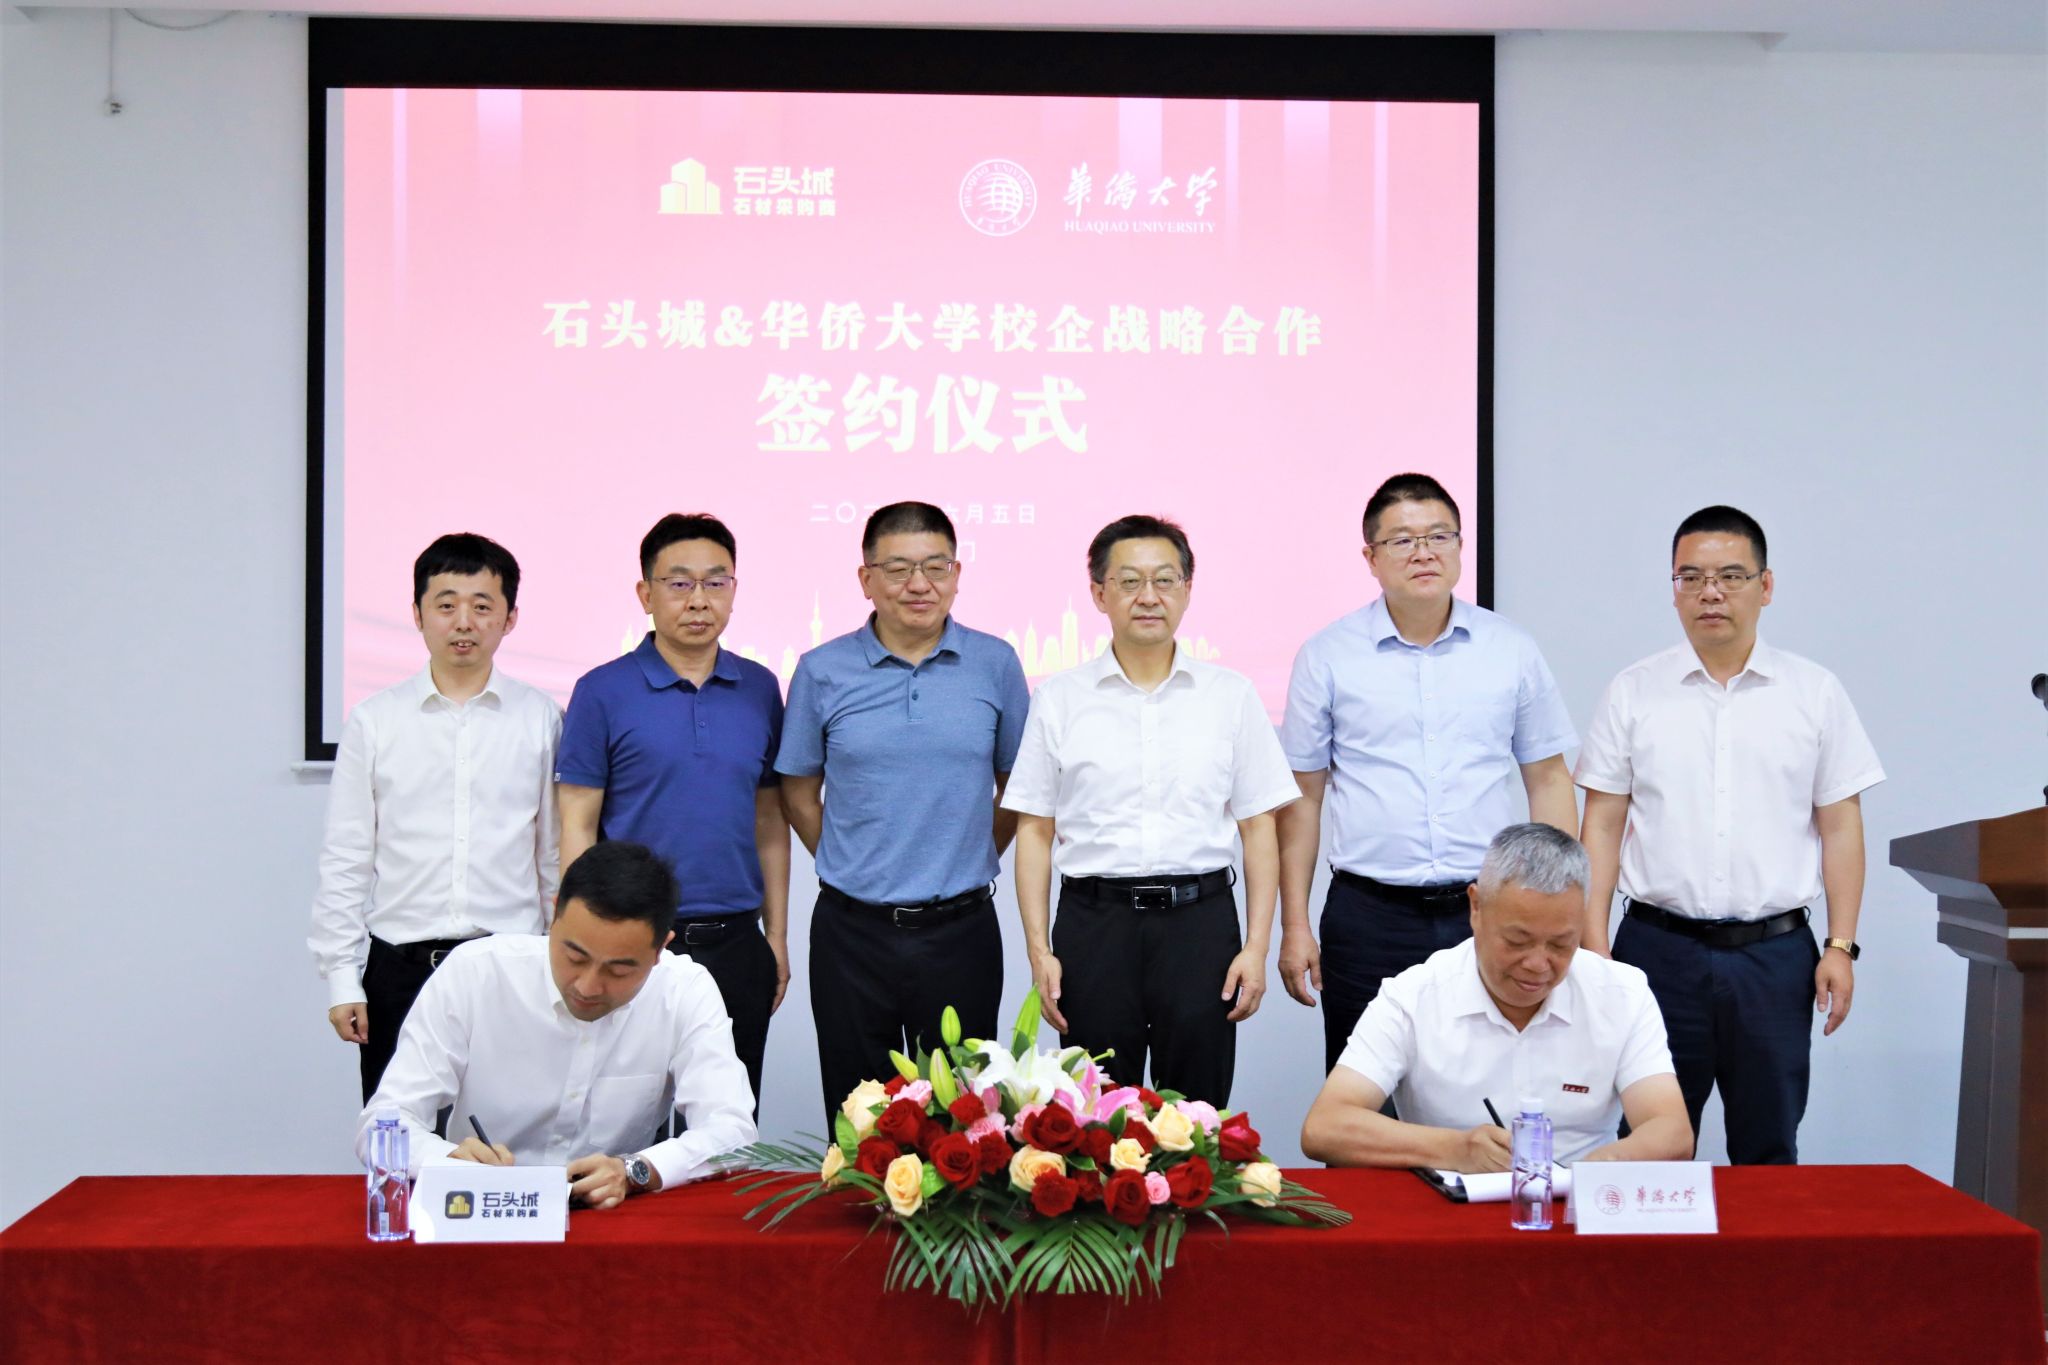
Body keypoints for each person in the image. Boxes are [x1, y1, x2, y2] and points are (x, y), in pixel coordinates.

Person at [1575, 505, 1882, 1165]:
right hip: (1656, 952)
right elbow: (1601, 823)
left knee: (1769, 1146)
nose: (1709, 592)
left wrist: (1841, 945)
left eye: (1730, 576)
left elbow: (1841, 826)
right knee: (1648, 1147)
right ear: (1674, 589)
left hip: (1774, 958)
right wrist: (1594, 942)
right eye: (1691, 577)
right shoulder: (1634, 691)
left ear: (1765, 586)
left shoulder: (1814, 693)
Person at [1278, 473, 1578, 1075]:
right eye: (1402, 540)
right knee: (1364, 1089)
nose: (1424, 552)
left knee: (1492, 1081)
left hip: (1488, 911)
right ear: (1371, 558)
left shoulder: (1510, 649)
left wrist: (1561, 908)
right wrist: (1294, 925)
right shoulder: (1328, 655)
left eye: (1440, 536)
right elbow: (1303, 799)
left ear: (1461, 547)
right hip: (1368, 915)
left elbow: (1548, 779)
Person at [1002, 514, 1299, 1104]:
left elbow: (1259, 826)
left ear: (1187, 589)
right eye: (1130, 581)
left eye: (1165, 580)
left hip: (1200, 927)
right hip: (1094, 926)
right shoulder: (1060, 699)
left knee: (1197, 1113)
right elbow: (1034, 831)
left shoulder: (1230, 695)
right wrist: (1040, 951)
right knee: (1091, 1115)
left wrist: (1256, 947)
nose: (1149, 596)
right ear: (1099, 593)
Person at [776, 502, 1031, 1125]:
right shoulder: (821, 670)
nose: (919, 584)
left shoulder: (996, 663)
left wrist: (970, 851)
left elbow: (1018, 789)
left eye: (935, 567)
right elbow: (799, 791)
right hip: (850, 934)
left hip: (961, 931)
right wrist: (849, 859)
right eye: (897, 569)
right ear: (866, 579)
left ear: (957, 573)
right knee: (858, 1115)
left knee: (965, 1116)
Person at [355, 840, 757, 1207]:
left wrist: (636, 1170)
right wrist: (448, 1161)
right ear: (553, 916)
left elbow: (734, 1132)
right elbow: (380, 1127)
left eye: (618, 970)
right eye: (575, 957)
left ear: (660, 950)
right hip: (484, 1212)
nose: (587, 986)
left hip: (609, 1217)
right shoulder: (476, 972)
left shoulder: (683, 989)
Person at [309, 533, 561, 1103]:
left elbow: (552, 855)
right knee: (398, 1133)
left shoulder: (541, 718)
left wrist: (557, 965)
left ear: (510, 618)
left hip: (509, 967)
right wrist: (343, 977)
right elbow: (347, 858)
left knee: (508, 1131)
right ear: (418, 614)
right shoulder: (375, 721)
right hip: (399, 967)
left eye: (482, 605)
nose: (463, 622)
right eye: (446, 605)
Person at [556, 513, 788, 1110]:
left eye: (716, 582)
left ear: (733, 590)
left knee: (728, 1120)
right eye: (679, 583)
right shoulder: (601, 691)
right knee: (621, 1121)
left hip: (736, 943)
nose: (699, 600)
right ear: (646, 594)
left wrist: (776, 938)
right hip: (633, 944)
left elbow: (770, 821)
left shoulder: (761, 688)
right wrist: (577, 941)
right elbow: (577, 823)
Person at [1301, 824, 1691, 1170]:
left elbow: (1671, 1129)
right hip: (1449, 1208)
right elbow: (1325, 1127)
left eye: (1561, 944)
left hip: (1578, 1209)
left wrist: (1591, 1174)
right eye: (1517, 941)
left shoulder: (1621, 993)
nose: (1538, 965)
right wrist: (1453, 1149)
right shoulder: (1414, 996)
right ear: (1476, 906)